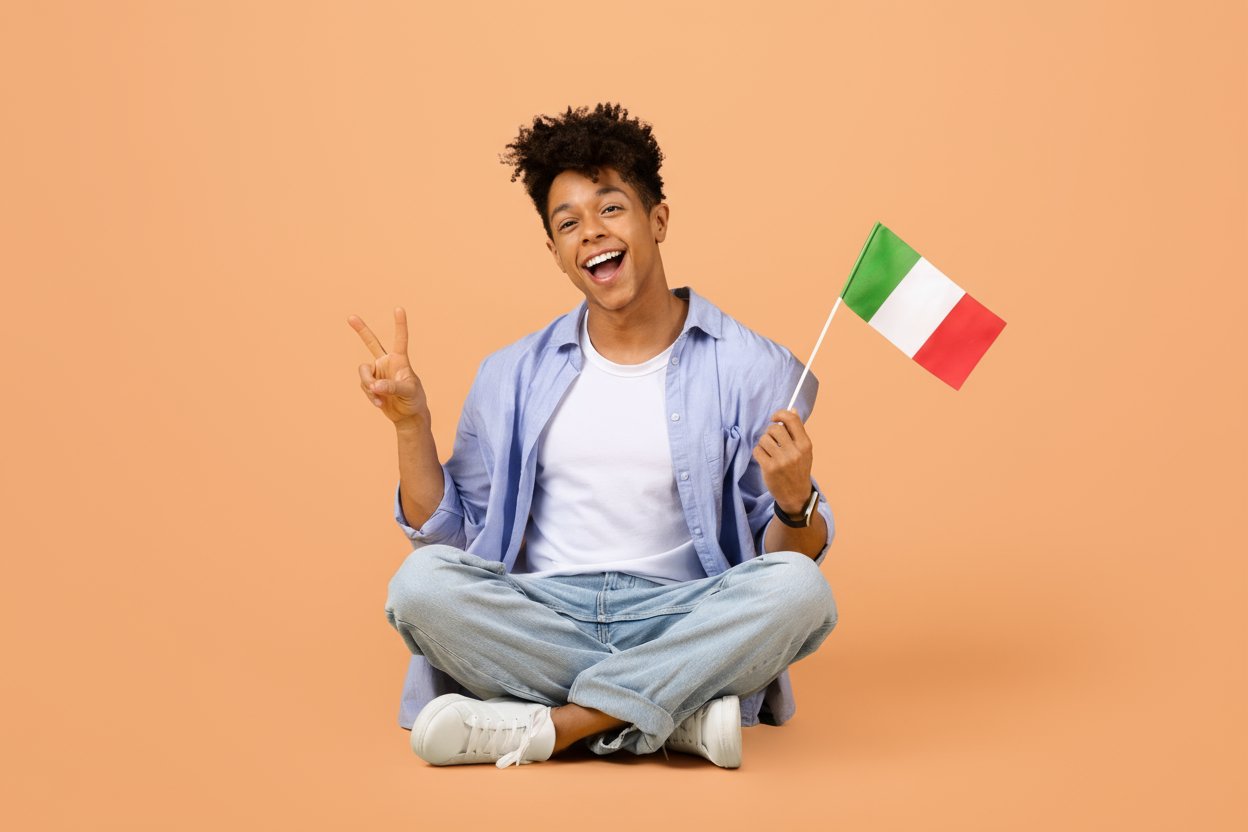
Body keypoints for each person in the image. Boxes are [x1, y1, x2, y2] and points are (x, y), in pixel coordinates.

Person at [348, 103, 838, 770]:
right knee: (420, 586)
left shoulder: (755, 368)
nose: (591, 234)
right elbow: (452, 542)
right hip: (545, 612)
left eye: (610, 209)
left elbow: (792, 556)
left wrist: (794, 501)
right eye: (568, 222)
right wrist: (413, 426)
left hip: (681, 611)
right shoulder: (510, 374)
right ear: (554, 252)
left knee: (799, 593)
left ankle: (560, 724)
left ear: (657, 219)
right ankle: (673, 714)